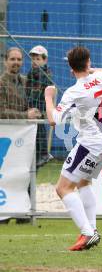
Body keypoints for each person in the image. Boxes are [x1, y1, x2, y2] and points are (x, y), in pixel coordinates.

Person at [44, 46, 102, 251]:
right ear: (88, 62)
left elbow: (53, 120)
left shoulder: (73, 92)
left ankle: (87, 232)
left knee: (63, 188)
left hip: (90, 143)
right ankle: (91, 229)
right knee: (84, 182)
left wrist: (49, 96)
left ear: (70, 67)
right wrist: (91, 71)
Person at [0, 47, 41, 225]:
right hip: (5, 139)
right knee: (5, 175)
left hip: (24, 141)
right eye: (12, 59)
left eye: (19, 59)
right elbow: (1, 111)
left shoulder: (26, 82)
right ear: (5, 61)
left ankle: (24, 212)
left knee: (25, 174)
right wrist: (25, 115)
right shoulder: (1, 83)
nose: (16, 62)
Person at [27, 45, 53, 168]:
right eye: (32, 58)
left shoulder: (45, 74)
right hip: (30, 112)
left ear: (44, 60)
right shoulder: (30, 74)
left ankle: (44, 153)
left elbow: (42, 94)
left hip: (41, 111)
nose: (34, 61)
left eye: (37, 59)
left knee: (39, 130)